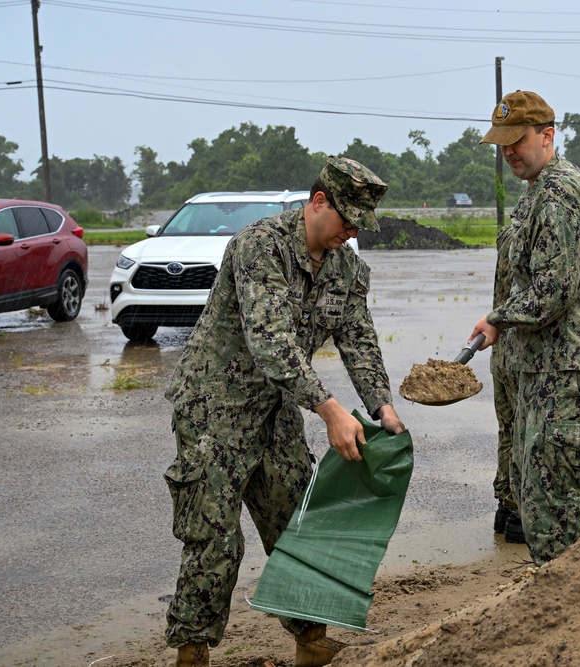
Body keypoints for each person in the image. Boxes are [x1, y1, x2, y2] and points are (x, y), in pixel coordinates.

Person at [162, 156, 406, 667]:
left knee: (300, 524)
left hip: (275, 413)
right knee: (215, 539)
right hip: (214, 409)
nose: (353, 231)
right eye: (348, 219)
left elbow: (358, 340)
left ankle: (310, 642)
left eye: (362, 224)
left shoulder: (347, 268)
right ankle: (192, 652)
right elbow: (270, 341)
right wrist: (329, 408)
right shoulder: (259, 246)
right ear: (319, 202)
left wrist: (381, 405)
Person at [470, 90, 580, 566]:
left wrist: (497, 319)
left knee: (557, 513)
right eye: (502, 144)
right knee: (536, 502)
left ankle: (569, 623)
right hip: (549, 371)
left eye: (517, 140)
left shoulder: (559, 193)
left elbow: (553, 289)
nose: (509, 151)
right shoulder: (538, 191)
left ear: (548, 135)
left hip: (571, 377)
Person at [489, 224, 524, 543]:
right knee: (523, 433)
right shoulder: (529, 239)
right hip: (518, 352)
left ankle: (506, 505)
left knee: (508, 430)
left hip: (500, 351)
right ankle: (517, 512)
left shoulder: (508, 235)